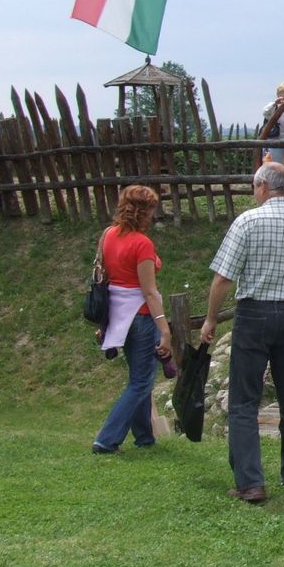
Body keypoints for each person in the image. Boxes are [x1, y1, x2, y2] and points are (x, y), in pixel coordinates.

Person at [200, 162, 284, 504]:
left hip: (254, 314)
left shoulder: (248, 221)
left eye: (254, 187)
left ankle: (251, 482)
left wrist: (211, 318)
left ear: (263, 186)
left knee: (244, 399)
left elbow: (223, 278)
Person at [92, 185, 174, 454]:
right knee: (141, 382)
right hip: (140, 316)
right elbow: (149, 292)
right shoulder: (142, 243)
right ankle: (107, 439)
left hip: (119, 316)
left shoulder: (108, 235)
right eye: (151, 210)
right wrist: (165, 330)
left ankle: (144, 436)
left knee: (138, 376)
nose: (153, 215)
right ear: (142, 211)